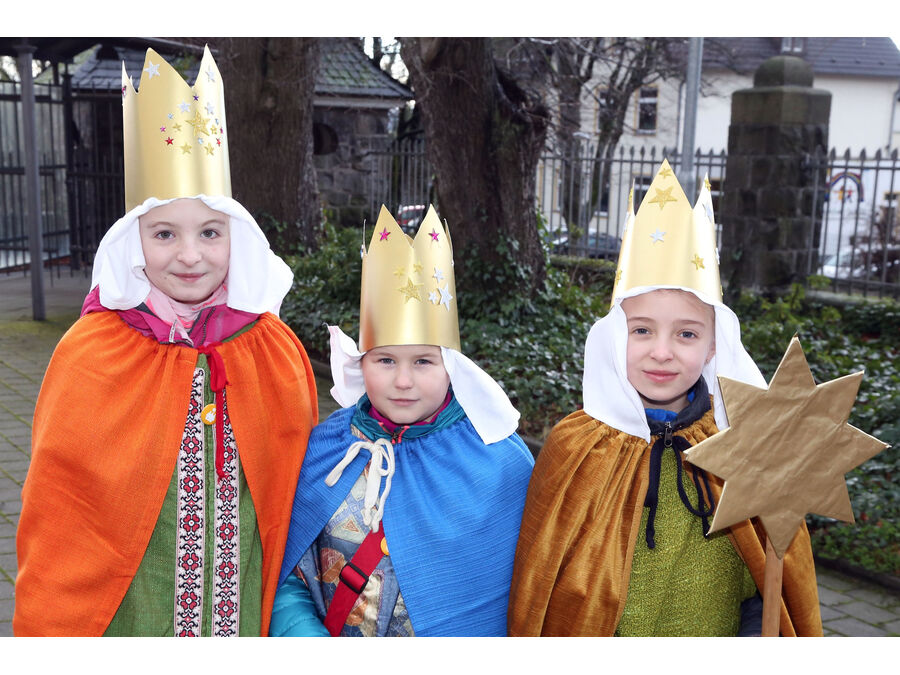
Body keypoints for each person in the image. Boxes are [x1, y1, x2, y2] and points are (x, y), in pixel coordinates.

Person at [14, 47, 318, 637]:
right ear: (133, 241)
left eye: (210, 232)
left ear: (236, 235)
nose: (190, 255)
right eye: (164, 234)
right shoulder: (91, 353)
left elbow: (295, 489)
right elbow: (62, 508)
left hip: (239, 604)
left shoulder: (271, 349)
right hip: (133, 613)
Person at [507, 160, 823, 636]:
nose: (661, 352)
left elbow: (769, 578)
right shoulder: (576, 447)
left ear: (714, 346)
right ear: (615, 336)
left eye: (686, 333)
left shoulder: (741, 444)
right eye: (641, 330)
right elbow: (545, 587)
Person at [269, 205, 535, 637]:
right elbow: (288, 571)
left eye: (424, 361)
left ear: (451, 365)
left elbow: (521, 590)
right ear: (361, 363)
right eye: (386, 360)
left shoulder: (498, 461)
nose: (404, 381)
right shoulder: (328, 445)